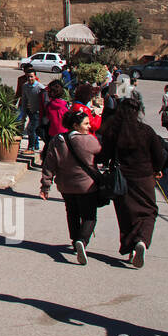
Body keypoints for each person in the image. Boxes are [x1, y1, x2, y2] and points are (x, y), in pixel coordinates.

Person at [95, 96, 168, 267]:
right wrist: (157, 169)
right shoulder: (147, 131)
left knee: (126, 214)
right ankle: (142, 241)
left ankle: (130, 249)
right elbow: (159, 155)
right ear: (138, 112)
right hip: (144, 177)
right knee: (149, 211)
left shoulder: (112, 132)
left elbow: (104, 155)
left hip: (121, 178)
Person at [39, 108, 104, 265]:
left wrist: (45, 186)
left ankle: (75, 240)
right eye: (86, 124)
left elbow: (49, 164)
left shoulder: (57, 140)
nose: (89, 127)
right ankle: (82, 240)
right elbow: (102, 155)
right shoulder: (90, 140)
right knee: (89, 216)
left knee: (72, 213)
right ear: (76, 125)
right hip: (86, 186)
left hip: (65, 185)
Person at [20, 68, 45, 152]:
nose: (30, 79)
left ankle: (31, 147)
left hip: (38, 112)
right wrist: (23, 114)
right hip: (30, 111)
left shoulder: (40, 87)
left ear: (35, 76)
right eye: (28, 77)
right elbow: (24, 100)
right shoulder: (25, 86)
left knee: (31, 129)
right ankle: (35, 146)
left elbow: (44, 101)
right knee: (33, 129)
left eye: (31, 76)